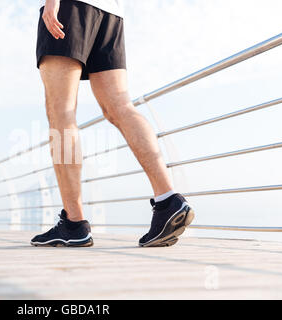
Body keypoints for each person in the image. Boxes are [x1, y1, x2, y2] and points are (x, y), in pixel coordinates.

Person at [31, 0, 194, 248]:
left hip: (70, 7)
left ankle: (74, 224)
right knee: (119, 106)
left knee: (60, 112)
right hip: (111, 13)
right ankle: (167, 200)